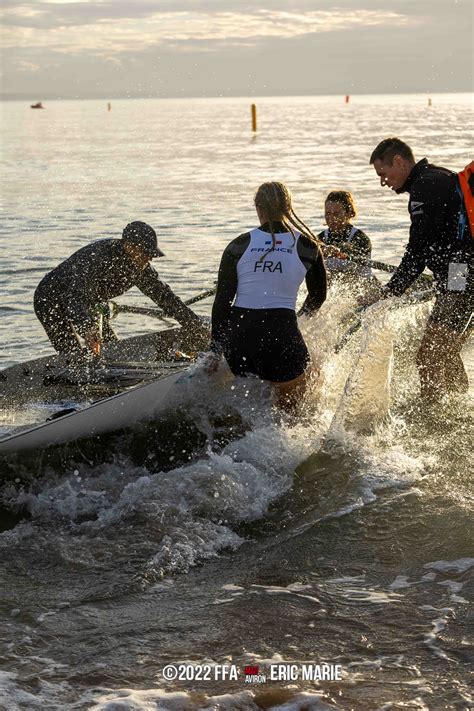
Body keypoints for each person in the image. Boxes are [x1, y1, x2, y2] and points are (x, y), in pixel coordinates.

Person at [363, 137, 473, 402]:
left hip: (460, 274)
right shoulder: (439, 175)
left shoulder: (424, 187)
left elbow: (417, 251)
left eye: (383, 173)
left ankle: (431, 416)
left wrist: (389, 291)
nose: (383, 181)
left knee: (428, 355)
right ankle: (458, 406)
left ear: (399, 162)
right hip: (462, 272)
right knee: (446, 350)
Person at [209, 181, 327, 410]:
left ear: (258, 208)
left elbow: (222, 302)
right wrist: (299, 321)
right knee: (294, 408)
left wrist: (215, 350)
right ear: (288, 207)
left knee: (249, 408)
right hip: (281, 336)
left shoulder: (238, 244)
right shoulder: (307, 246)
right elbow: (318, 297)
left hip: (239, 340)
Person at [34, 221, 206, 356]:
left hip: (88, 302)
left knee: (111, 348)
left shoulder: (141, 269)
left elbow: (167, 299)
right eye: (145, 253)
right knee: (73, 353)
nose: (149, 259)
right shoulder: (99, 258)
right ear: (128, 246)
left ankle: (111, 377)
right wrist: (87, 329)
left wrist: (196, 327)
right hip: (50, 299)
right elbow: (73, 297)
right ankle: (76, 381)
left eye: (151, 254)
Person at [319, 190, 373, 288]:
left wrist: (340, 249)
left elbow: (356, 252)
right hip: (335, 286)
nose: (331, 218)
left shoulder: (360, 238)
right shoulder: (320, 239)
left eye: (336, 214)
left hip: (361, 286)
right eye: (328, 213)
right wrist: (320, 251)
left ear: (349, 213)